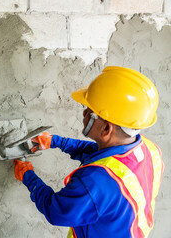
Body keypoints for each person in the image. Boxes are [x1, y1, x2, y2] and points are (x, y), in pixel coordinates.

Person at [14, 66, 164, 238]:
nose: (84, 112)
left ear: (106, 128)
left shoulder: (95, 183)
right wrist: (55, 141)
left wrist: (28, 176)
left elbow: (56, 211)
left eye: (90, 112)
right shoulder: (149, 149)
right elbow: (101, 155)